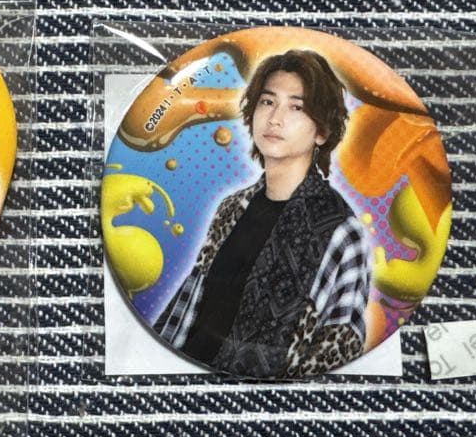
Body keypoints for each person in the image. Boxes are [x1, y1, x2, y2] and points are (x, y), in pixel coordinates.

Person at [153, 49, 372, 378]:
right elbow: (187, 310)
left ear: (322, 131)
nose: (275, 118)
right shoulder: (232, 207)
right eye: (267, 102)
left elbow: (342, 343)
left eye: (297, 107)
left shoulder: (342, 231)